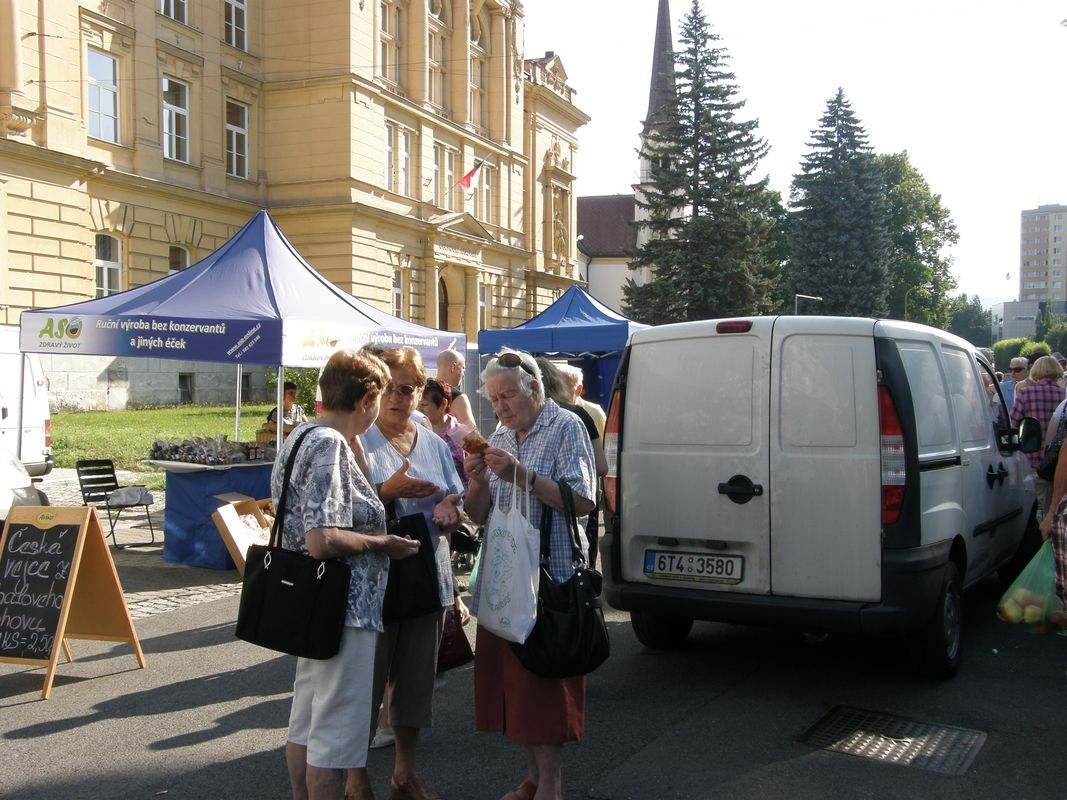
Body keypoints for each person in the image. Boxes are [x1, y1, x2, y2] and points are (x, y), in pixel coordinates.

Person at [274, 349, 420, 800]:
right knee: (334, 740)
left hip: (312, 603)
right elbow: (323, 539)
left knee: (306, 723)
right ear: (365, 400)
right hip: (344, 607)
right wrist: (384, 544)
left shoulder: (302, 435)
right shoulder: (328, 445)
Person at [463, 349, 596, 800]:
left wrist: (522, 475)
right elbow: (480, 515)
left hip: (548, 580)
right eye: (494, 399)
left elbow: (581, 501)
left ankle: (551, 786)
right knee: (515, 689)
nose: (500, 408)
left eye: (508, 397)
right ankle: (532, 778)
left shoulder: (566, 426)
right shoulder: (500, 433)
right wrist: (478, 481)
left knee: (543, 689)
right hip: (505, 581)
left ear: (535, 389)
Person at [356, 346, 464, 800]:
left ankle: (404, 772)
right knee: (365, 680)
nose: (401, 398)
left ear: (423, 392)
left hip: (427, 572)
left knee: (416, 682)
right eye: (392, 388)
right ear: (376, 391)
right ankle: (354, 778)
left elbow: (456, 495)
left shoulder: (434, 443)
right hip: (375, 578)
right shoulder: (358, 441)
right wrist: (386, 491)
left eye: (411, 388)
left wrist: (446, 506)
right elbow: (343, 512)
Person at [436, 347, 478, 431]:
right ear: (453, 367)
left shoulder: (422, 392)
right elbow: (472, 436)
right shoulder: (458, 398)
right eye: (463, 368)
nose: (463, 374)